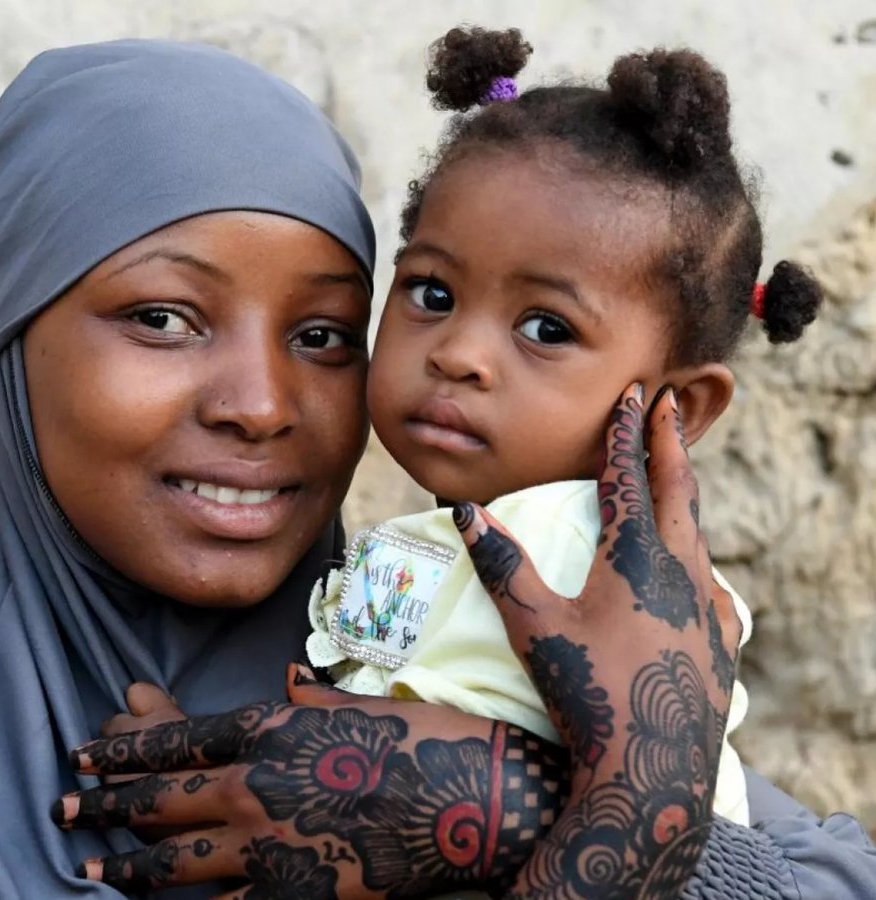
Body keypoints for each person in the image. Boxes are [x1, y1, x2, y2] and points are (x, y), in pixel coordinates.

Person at [0, 37, 876, 900]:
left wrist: (522, 801)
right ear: (7, 336)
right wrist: (600, 820)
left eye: (318, 335)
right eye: (161, 319)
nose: (261, 406)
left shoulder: (443, 625)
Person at [295, 26, 822, 832]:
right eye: (433, 293)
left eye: (546, 329)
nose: (459, 355)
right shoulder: (430, 537)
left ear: (677, 406)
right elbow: (341, 708)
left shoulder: (598, 575)